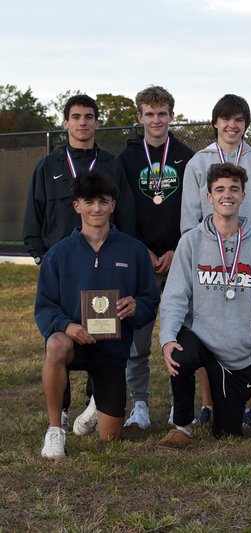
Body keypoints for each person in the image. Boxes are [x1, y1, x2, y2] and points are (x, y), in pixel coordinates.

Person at [24, 94, 136, 433]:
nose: (82, 122)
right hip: (62, 267)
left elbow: (126, 214)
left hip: (103, 260)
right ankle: (62, 412)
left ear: (97, 122)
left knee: (103, 327)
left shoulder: (112, 164)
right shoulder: (48, 166)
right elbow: (34, 214)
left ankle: (95, 400)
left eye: (89, 116)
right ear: (66, 123)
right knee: (62, 334)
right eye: (75, 117)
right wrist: (41, 256)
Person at [37, 171, 159, 459]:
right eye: (88, 201)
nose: (97, 208)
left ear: (113, 205)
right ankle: (55, 429)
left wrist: (136, 307)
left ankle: (95, 407)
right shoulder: (58, 254)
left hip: (112, 349)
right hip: (73, 344)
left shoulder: (134, 250)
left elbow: (149, 300)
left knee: (111, 439)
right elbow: (44, 307)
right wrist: (66, 325)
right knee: (55, 345)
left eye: (104, 201)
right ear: (76, 205)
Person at [156, 163, 251, 449]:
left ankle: (225, 412)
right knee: (180, 356)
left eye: (234, 189)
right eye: (219, 189)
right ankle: (182, 427)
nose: (227, 195)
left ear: (244, 196)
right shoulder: (191, 241)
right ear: (209, 197)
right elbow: (175, 296)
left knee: (228, 433)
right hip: (199, 336)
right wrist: (168, 338)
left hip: (235, 349)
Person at [180, 94, 251, 429]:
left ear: (246, 124)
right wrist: (201, 251)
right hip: (209, 256)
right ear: (216, 123)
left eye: (238, 119)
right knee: (207, 325)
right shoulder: (198, 162)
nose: (232, 125)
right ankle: (208, 404)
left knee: (249, 322)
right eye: (226, 119)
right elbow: (190, 215)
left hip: (248, 256)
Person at [116, 85, 195, 429]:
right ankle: (141, 406)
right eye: (149, 114)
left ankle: (181, 405)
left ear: (171, 116)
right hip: (140, 261)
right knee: (138, 337)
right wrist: (140, 249)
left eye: (162, 113)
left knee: (181, 334)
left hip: (178, 258)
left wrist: (179, 246)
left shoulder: (187, 155)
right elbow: (120, 211)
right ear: (140, 117)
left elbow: (194, 208)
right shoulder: (127, 158)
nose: (156, 119)